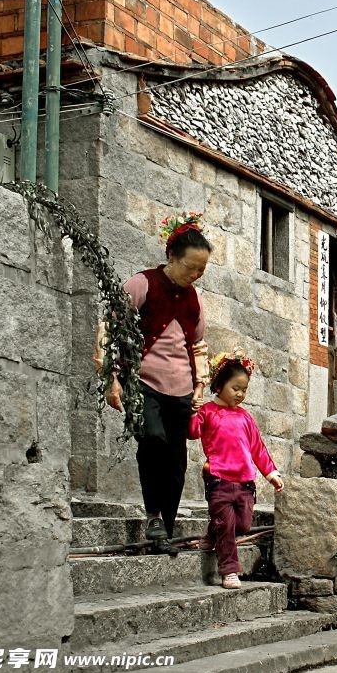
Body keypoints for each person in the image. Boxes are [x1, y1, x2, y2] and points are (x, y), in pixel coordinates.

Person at [100, 211, 212, 547]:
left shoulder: (194, 299)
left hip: (181, 391)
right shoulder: (142, 283)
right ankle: (152, 515)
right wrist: (112, 379)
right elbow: (110, 328)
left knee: (178, 462)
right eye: (191, 267)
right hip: (143, 384)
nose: (196, 274)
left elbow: (199, 346)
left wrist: (199, 388)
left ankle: (166, 524)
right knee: (153, 440)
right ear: (171, 257)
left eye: (202, 270)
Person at [189, 348, 284, 589]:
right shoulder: (208, 412)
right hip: (218, 479)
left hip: (245, 483)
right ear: (219, 385)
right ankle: (229, 571)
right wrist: (192, 411)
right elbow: (192, 433)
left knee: (241, 525)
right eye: (236, 388)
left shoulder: (245, 418)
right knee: (227, 526)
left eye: (244, 390)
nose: (241, 394)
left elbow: (258, 448)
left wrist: (271, 473)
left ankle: (212, 533)